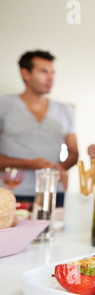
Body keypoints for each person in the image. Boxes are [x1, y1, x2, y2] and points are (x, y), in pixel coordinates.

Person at [0, 50, 79, 206]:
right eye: (43, 72)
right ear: (25, 74)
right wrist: (31, 164)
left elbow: (74, 152)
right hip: (10, 194)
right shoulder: (3, 105)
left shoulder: (65, 110)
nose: (51, 78)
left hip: (53, 193)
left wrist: (58, 169)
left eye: (52, 72)